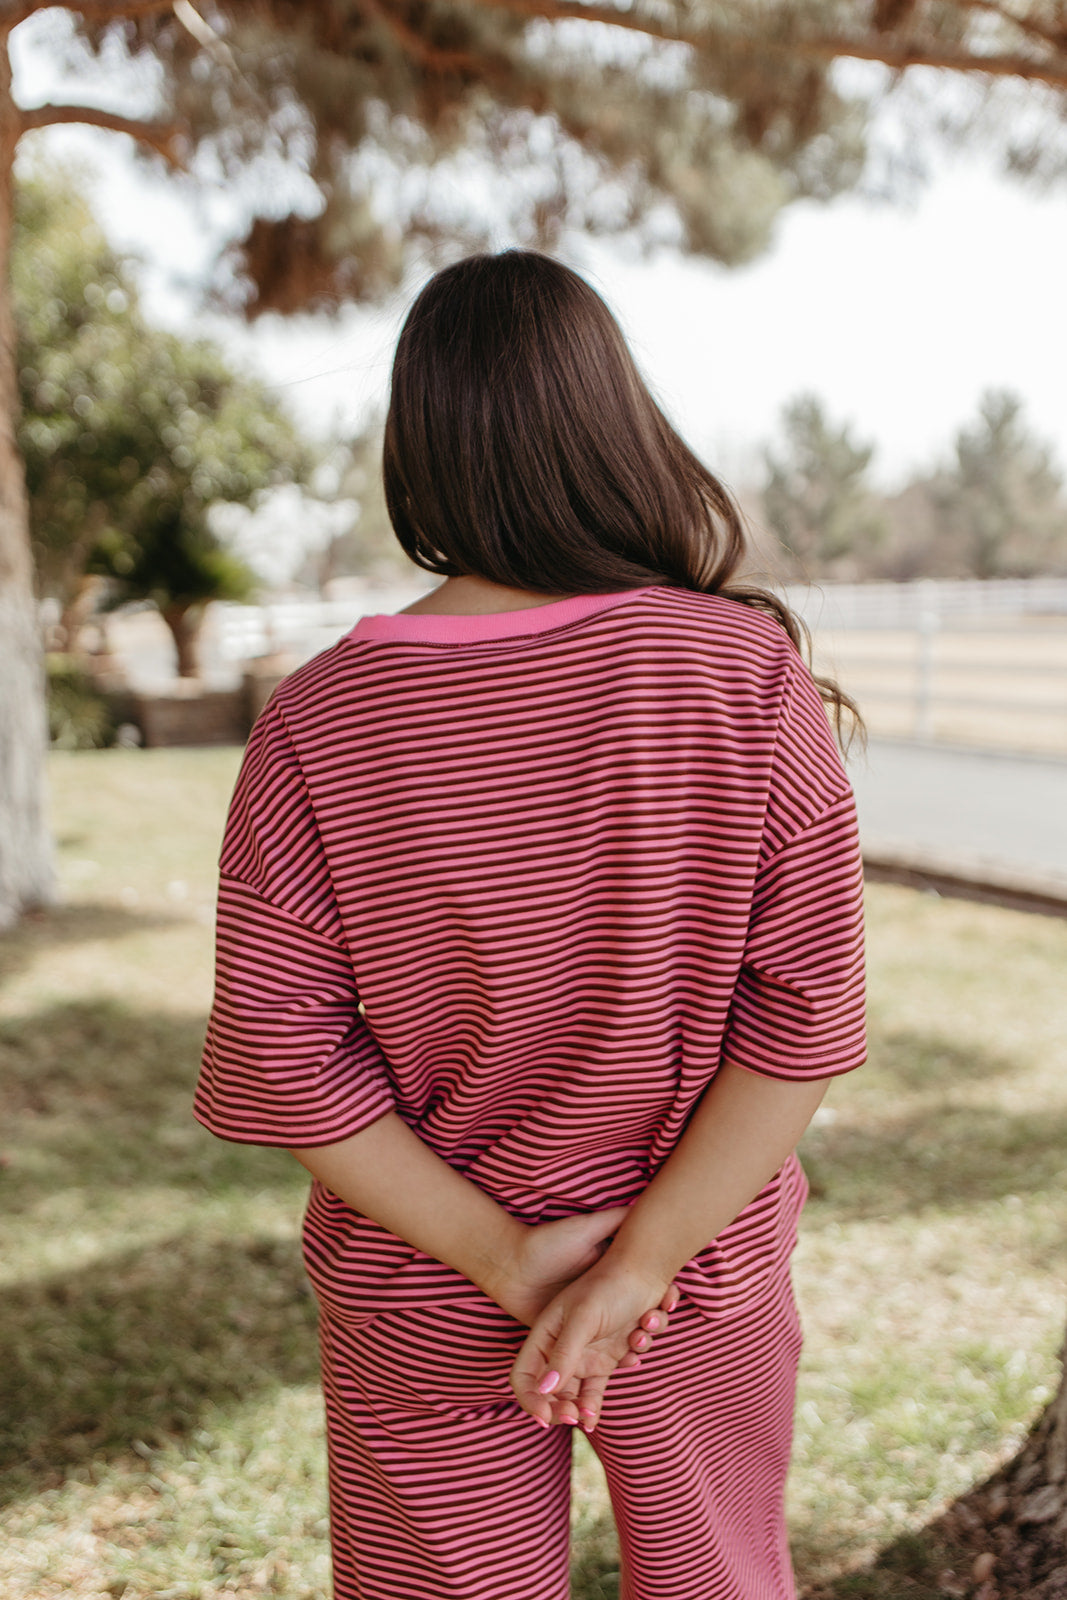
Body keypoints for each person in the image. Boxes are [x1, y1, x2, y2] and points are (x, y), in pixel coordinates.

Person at [193, 249, 867, 1600]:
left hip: (422, 1285)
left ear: (418, 452)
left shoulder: (317, 719)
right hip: (698, 1279)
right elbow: (804, 1020)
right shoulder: (740, 671)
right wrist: (641, 1266)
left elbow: (281, 1054)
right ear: (613, 423)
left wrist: (505, 1256)